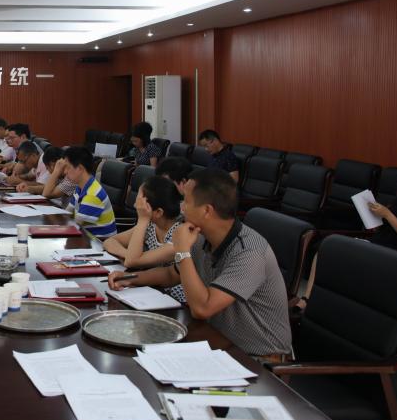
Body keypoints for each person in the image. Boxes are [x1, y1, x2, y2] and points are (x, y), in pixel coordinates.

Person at [108, 169, 292, 360]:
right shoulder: (201, 237)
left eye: (186, 201)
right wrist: (131, 278)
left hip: (259, 359)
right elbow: (172, 274)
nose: (181, 208)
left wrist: (182, 250)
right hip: (216, 341)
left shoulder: (250, 252)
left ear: (206, 211)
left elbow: (202, 309)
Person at [296, 156, 397, 309]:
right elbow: (387, 224)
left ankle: (330, 305)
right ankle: (307, 299)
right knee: (325, 248)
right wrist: (375, 217)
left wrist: (388, 215)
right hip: (376, 243)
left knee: (344, 259)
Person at [102, 177, 187, 302]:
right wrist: (127, 253)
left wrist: (142, 220)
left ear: (158, 212)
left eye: (140, 203)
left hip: (176, 300)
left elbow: (131, 261)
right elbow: (109, 242)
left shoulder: (179, 235)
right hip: (153, 289)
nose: (135, 205)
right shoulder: (152, 225)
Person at [62, 146, 117, 238]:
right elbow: (67, 214)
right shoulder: (80, 187)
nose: (65, 172)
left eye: (67, 167)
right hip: (86, 237)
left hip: (100, 242)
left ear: (80, 168)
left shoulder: (92, 195)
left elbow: (75, 226)